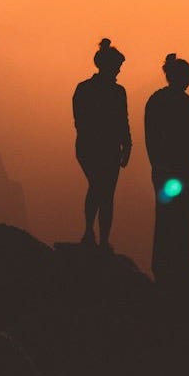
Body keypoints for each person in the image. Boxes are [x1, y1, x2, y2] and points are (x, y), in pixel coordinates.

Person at [144, 53, 189, 281]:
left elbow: (150, 138)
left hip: (166, 170)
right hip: (182, 170)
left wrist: (157, 164)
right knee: (183, 217)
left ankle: (163, 264)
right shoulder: (187, 104)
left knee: (165, 215)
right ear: (179, 77)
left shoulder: (156, 100)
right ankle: (181, 264)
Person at [73, 38, 132, 250]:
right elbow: (120, 121)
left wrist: (127, 144)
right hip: (101, 148)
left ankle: (93, 235)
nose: (119, 71)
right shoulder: (114, 92)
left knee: (100, 189)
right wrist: (126, 145)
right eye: (118, 67)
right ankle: (98, 237)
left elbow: (80, 121)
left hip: (93, 148)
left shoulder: (85, 89)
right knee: (103, 191)